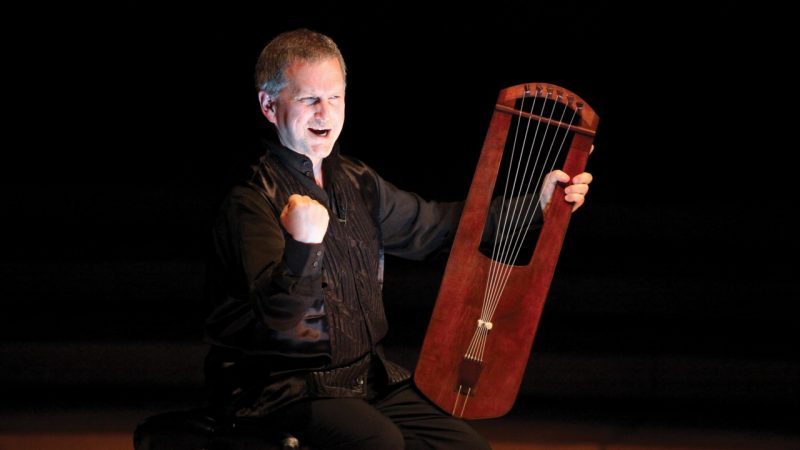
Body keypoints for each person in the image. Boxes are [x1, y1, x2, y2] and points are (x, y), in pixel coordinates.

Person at [203, 28, 593, 450]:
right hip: (281, 389)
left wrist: (536, 204)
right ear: (268, 104)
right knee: (381, 444)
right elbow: (277, 317)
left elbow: (436, 226)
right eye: (308, 99)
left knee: (465, 447)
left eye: (335, 98)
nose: (325, 113)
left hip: (366, 378)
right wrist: (304, 247)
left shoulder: (357, 180)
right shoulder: (251, 200)